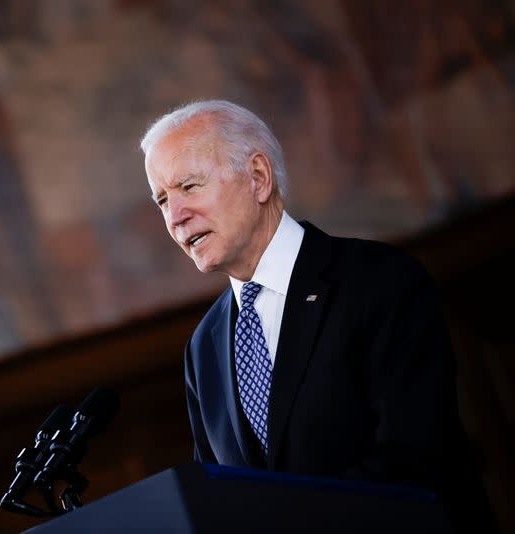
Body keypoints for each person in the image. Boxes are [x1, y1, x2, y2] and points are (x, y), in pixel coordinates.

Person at [140, 100, 493, 532]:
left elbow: (414, 457)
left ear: (258, 177)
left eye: (190, 186)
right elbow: (219, 497)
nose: (175, 217)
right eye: (162, 199)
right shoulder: (204, 346)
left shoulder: (378, 281)